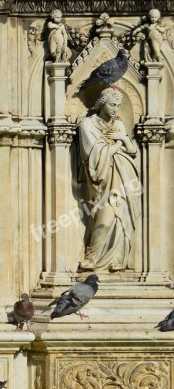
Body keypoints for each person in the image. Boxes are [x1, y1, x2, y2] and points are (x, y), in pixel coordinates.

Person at [77, 87, 141, 272]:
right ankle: (92, 258)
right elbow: (92, 154)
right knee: (104, 219)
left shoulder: (119, 125)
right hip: (102, 180)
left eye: (118, 106)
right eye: (112, 104)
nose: (115, 109)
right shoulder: (87, 124)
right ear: (102, 103)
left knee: (122, 218)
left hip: (123, 178)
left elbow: (133, 151)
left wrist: (121, 139)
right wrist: (116, 146)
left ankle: (119, 258)